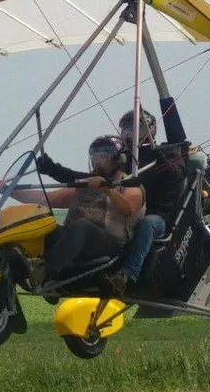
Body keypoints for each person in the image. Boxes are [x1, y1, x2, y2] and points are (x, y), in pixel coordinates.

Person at [37, 100, 188, 294]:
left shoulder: (164, 154)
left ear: (150, 129)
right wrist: (50, 168)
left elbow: (177, 174)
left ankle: (127, 274)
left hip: (158, 213)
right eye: (125, 128)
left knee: (146, 224)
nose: (129, 133)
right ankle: (43, 270)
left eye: (135, 128)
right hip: (131, 214)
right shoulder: (123, 158)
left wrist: (160, 156)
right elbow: (86, 179)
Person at [0, 134, 145, 288]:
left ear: (119, 159)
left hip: (111, 245)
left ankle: (44, 272)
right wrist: (8, 190)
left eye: (104, 156)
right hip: (77, 239)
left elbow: (129, 209)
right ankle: (10, 265)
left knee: (81, 225)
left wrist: (107, 190)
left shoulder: (130, 184)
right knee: (46, 227)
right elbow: (47, 199)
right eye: (95, 156)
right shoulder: (85, 184)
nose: (98, 161)